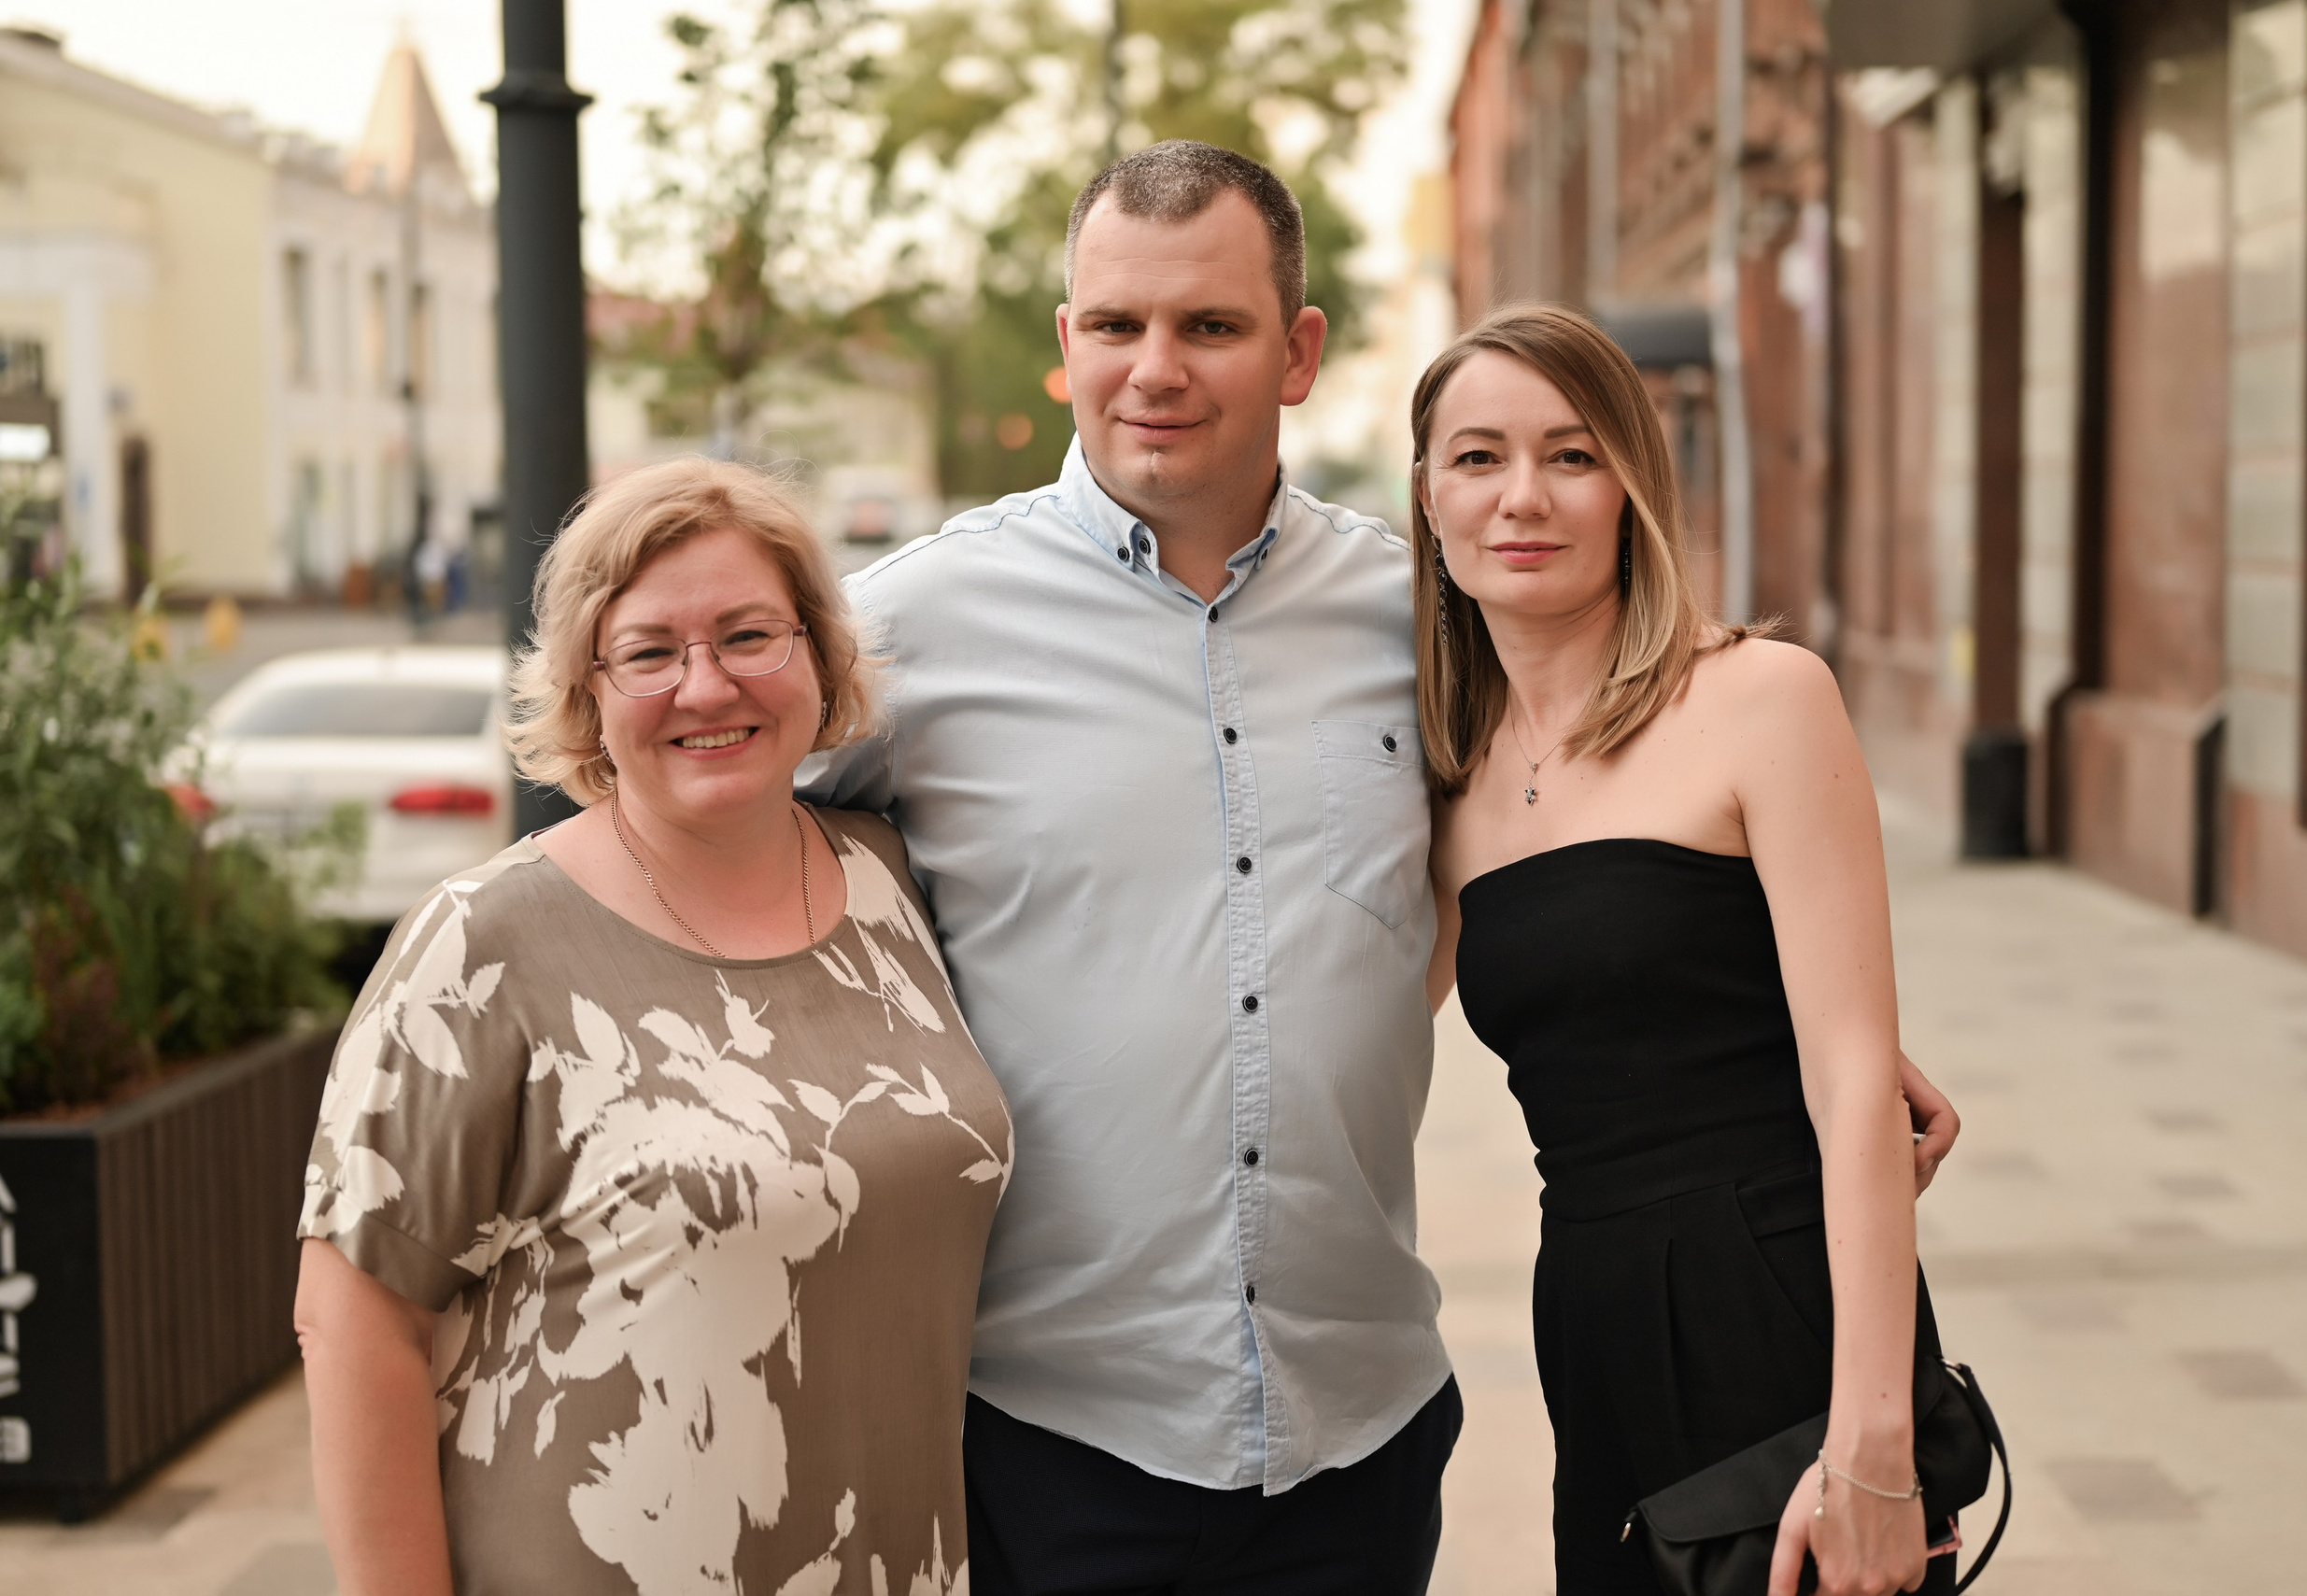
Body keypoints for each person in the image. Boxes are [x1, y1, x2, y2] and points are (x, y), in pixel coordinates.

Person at [800, 141, 1959, 1595]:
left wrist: (1812, 1054)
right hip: (1059, 1423)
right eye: (1116, 324)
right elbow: (708, 815)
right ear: (1066, 345)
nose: (1155, 367)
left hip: (1359, 1429)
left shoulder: (1416, 616)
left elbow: (1591, 871)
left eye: (1209, 326)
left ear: (1298, 353)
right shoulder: (910, 627)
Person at [293, 459, 1009, 1596]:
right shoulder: (482, 947)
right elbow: (353, 1325)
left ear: (818, 655)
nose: (705, 684)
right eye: (648, 652)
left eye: (747, 635)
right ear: (586, 689)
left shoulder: (886, 880)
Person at [1415, 304, 1950, 1595]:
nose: (1522, 497)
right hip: (1590, 1318)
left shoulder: (1761, 698)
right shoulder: (1445, 773)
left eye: (1573, 454)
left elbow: (1852, 1089)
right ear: (1428, 500)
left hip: (1775, 1309)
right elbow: (1347, 1023)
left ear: (1633, 489)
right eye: (1478, 458)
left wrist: (1873, 1443)